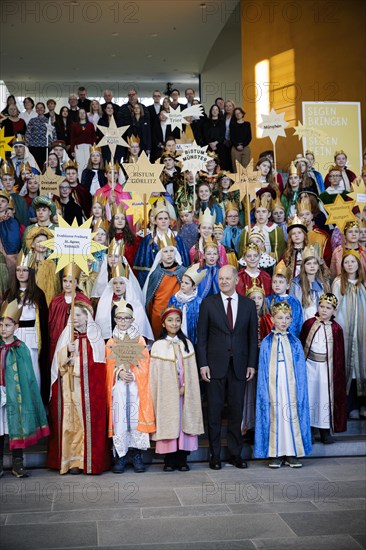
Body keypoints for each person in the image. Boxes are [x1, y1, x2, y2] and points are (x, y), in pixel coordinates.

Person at [197, 265, 258, 470]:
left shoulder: (249, 305)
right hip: (214, 366)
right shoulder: (208, 304)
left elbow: (252, 338)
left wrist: (251, 363)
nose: (223, 282)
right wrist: (203, 364)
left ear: (236, 280)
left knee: (236, 412)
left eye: (227, 279)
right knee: (214, 413)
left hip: (240, 366)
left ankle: (235, 454)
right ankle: (214, 455)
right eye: (221, 279)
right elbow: (202, 338)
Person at [48, 301, 109, 475]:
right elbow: (56, 365)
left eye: (78, 315)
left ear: (87, 316)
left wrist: (80, 362)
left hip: (88, 389)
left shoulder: (95, 336)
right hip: (69, 388)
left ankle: (86, 460)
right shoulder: (67, 336)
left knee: (85, 422)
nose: (74, 318)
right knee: (71, 422)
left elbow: (98, 365)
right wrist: (67, 351)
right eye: (72, 315)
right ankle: (72, 460)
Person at [254, 301, 312, 468]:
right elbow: (263, 367)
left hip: (290, 387)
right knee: (276, 415)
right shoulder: (266, 342)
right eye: (280, 318)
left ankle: (292, 453)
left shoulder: (295, 342)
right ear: (273, 319)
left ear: (291, 320)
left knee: (290, 415)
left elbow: (300, 369)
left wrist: (300, 389)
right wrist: (264, 390)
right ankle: (276, 453)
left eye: (287, 318)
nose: (283, 321)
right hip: (273, 387)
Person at [150, 306, 204, 472]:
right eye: (170, 320)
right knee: (169, 422)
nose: (174, 323)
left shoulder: (187, 344)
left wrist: (186, 388)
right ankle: (169, 459)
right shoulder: (158, 346)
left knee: (183, 424)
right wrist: (169, 390)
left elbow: (192, 372)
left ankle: (182, 458)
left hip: (184, 393)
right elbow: (155, 375)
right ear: (164, 323)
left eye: (177, 320)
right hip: (167, 394)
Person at [0, 300, 50, 478]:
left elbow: (27, 377)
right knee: (0, 429)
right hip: (1, 394)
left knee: (16, 426)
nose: (3, 329)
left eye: (7, 325)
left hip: (17, 395)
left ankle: (17, 463)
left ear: (16, 326)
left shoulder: (22, 349)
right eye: (0, 325)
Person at [106, 301, 155, 473]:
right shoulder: (111, 341)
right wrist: (118, 373)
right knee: (120, 420)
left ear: (132, 319)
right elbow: (108, 366)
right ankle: (120, 456)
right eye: (120, 318)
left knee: (134, 420)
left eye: (126, 318)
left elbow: (145, 364)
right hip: (119, 387)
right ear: (115, 319)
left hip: (135, 387)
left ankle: (136, 455)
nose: (123, 321)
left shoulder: (139, 339)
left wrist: (134, 375)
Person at [300, 293, 347, 444]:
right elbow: (302, 346)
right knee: (310, 397)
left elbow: (339, 354)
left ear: (334, 311)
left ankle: (325, 431)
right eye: (322, 307)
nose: (324, 310)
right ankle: (310, 430)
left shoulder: (336, 329)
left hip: (327, 369)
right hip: (310, 367)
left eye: (328, 308)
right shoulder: (309, 324)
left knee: (324, 399)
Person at [4, 251, 50, 404]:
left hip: (32, 337)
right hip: (14, 335)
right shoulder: (10, 294)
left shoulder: (38, 294)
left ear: (30, 272)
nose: (21, 273)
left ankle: (35, 406)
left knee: (33, 372)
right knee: (15, 370)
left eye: (24, 270)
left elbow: (43, 321)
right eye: (18, 270)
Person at [331, 251, 366, 419]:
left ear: (358, 264)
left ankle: (362, 406)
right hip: (345, 332)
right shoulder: (339, 283)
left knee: (362, 367)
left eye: (353, 262)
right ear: (342, 265)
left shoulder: (363, 283)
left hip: (362, 333)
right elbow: (334, 308)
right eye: (346, 262)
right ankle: (349, 406)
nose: (350, 265)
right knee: (348, 368)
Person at [144, 244, 186, 339]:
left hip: (178, 313)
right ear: (160, 255)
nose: (169, 254)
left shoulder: (183, 272)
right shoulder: (155, 274)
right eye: (165, 251)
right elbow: (150, 300)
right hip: (158, 313)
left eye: (171, 251)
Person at [168, 263, 206, 346]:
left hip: (192, 340)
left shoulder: (199, 302)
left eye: (187, 283)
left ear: (194, 286)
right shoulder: (174, 299)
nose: (183, 285)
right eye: (182, 282)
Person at [266, 260, 303, 337]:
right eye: (274, 282)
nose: (277, 285)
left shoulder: (293, 301)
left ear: (288, 286)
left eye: (281, 282)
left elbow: (296, 322)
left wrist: (289, 335)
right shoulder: (268, 300)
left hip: (289, 336)